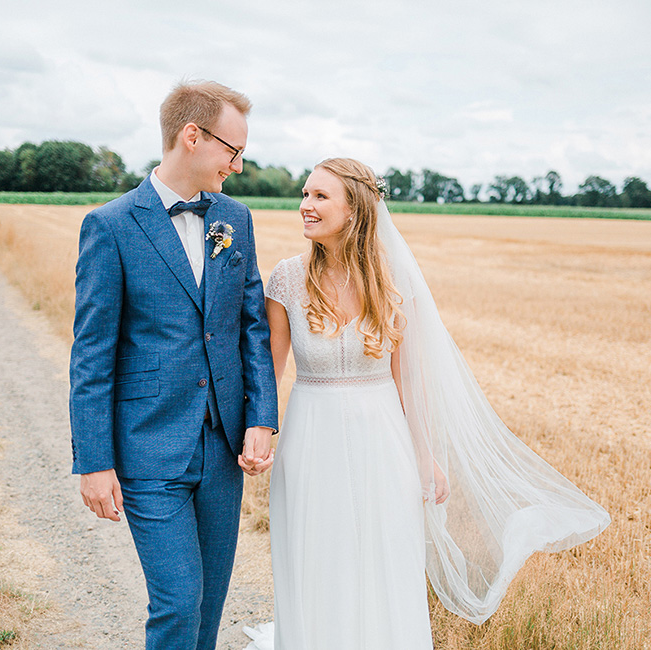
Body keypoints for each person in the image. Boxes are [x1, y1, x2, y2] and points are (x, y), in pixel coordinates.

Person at [244, 158, 610, 650]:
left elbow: (409, 378)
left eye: (320, 197)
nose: (305, 206)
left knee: (385, 556)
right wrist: (259, 431)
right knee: (317, 554)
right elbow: (270, 368)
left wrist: (425, 457)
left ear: (355, 210)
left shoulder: (393, 280)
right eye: (305, 194)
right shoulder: (286, 279)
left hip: (382, 436)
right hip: (312, 436)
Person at [69, 80, 278, 650]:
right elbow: (91, 354)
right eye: (233, 150)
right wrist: (94, 461)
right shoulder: (110, 226)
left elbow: (251, 328)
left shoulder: (235, 219)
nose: (238, 165)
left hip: (222, 448)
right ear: (192, 136)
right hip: (148, 447)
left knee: (208, 604)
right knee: (178, 602)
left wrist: (262, 417)